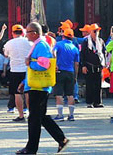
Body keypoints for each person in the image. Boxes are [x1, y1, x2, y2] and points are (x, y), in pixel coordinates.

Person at [15, 22, 69, 154]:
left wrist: (30, 63)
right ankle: (61, 139)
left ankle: (31, 148)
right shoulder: (38, 44)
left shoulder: (41, 45)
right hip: (35, 85)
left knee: (34, 118)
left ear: (34, 33)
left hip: (39, 87)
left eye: (27, 32)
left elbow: (44, 64)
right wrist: (24, 81)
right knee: (41, 117)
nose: (25, 34)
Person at [5, 24, 33, 122]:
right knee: (28, 93)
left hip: (15, 70)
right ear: (23, 32)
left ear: (12, 33)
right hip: (27, 70)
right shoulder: (29, 42)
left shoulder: (9, 43)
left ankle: (21, 115)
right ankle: (30, 114)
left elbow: (6, 54)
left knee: (17, 93)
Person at [52, 28, 80, 121]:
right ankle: (71, 115)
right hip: (70, 72)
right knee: (70, 94)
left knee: (59, 94)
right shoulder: (75, 48)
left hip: (59, 71)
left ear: (63, 36)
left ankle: (60, 115)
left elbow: (54, 52)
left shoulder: (58, 44)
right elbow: (76, 64)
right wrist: (75, 76)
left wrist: (55, 63)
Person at [79, 23, 105, 109]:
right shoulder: (86, 42)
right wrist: (83, 66)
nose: (96, 33)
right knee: (89, 85)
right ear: (90, 32)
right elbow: (82, 54)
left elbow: (104, 53)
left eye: (97, 31)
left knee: (98, 85)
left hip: (98, 66)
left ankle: (97, 102)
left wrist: (104, 64)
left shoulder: (100, 41)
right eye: (94, 31)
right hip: (88, 66)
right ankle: (89, 102)